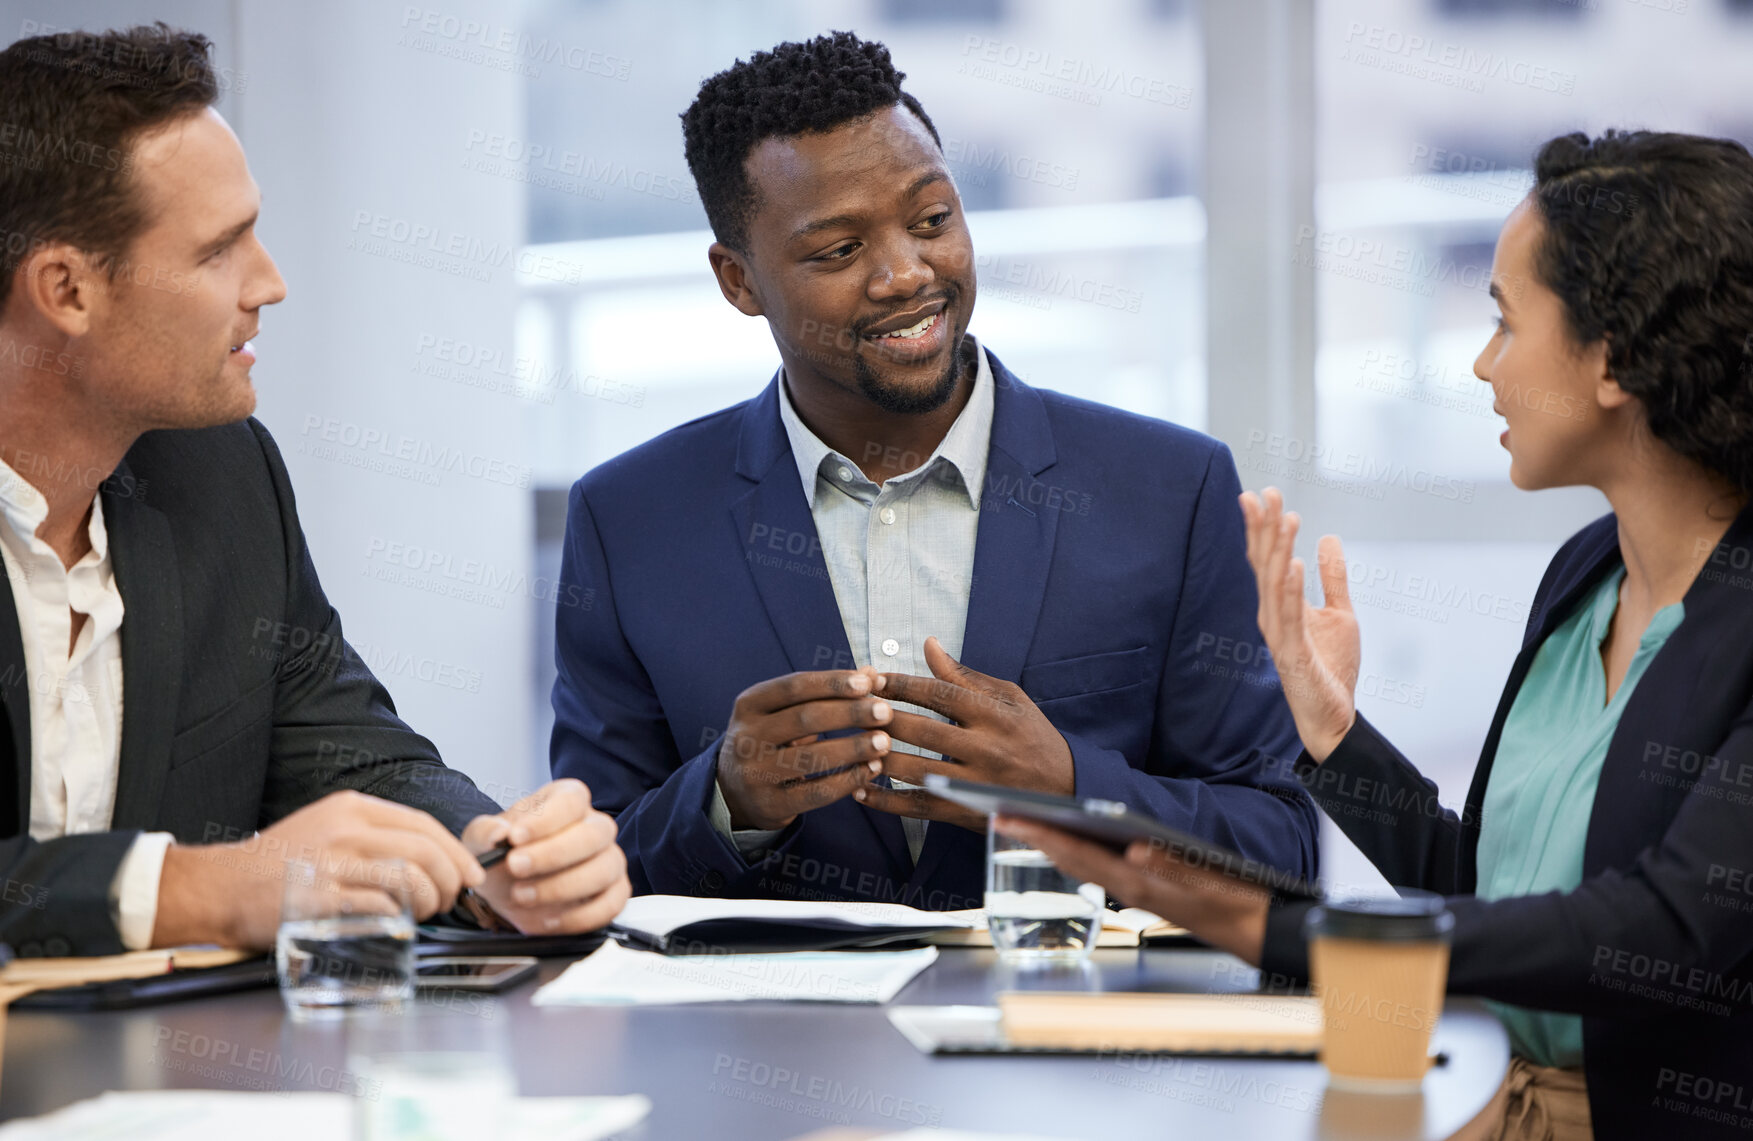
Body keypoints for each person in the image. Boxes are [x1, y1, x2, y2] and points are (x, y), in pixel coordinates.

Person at [1001, 129, 1753, 1141]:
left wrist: (1276, 927)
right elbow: (1488, 896)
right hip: (1482, 1099)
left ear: (1610, 355)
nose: (1482, 363)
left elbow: (1663, 927)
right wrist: (1332, 730)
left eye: (1503, 320)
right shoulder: (1585, 577)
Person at [550, 31, 1318, 911]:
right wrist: (724, 802)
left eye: (931, 221)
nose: (906, 274)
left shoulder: (1170, 491)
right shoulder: (628, 521)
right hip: (778, 1047)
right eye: (837, 250)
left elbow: (1282, 851)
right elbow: (583, 875)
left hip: (1072, 1036)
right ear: (738, 281)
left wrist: (1070, 784)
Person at [0, 24, 630, 956]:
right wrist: (191, 888)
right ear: (66, 288)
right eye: (220, 251)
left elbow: (349, 755)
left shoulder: (220, 474)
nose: (272, 282)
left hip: (170, 1087)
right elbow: (213, 882)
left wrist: (493, 862)